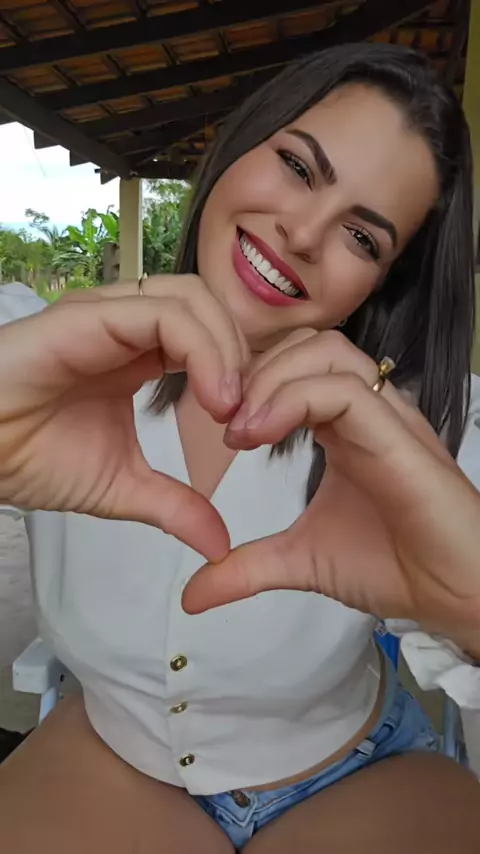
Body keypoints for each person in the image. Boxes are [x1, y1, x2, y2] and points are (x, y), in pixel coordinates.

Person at [0, 42, 480, 853]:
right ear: (236, 145)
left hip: (363, 774)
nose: (302, 234)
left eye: (363, 238)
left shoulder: (426, 434)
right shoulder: (42, 359)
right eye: (297, 166)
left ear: (381, 285)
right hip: (115, 758)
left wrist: (471, 612)